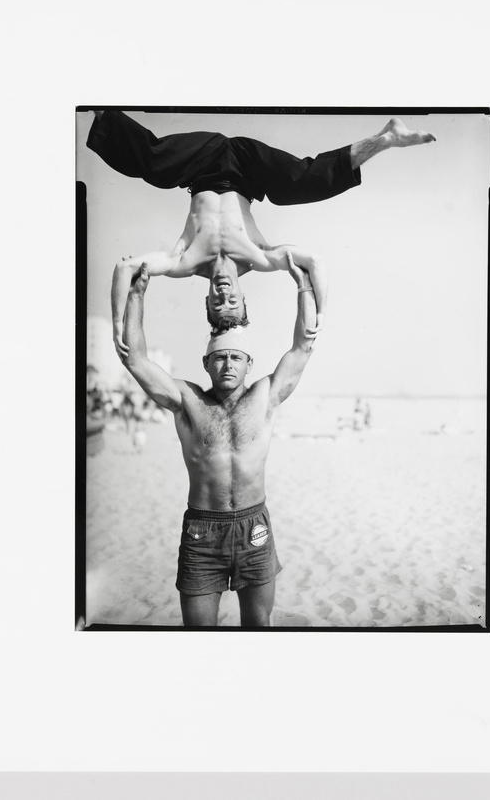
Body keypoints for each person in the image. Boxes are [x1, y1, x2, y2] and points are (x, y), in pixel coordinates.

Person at [86, 110, 436, 357]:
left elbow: (124, 269)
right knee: (300, 182)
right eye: (233, 302)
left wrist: (117, 325)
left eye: (217, 303)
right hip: (246, 169)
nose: (225, 297)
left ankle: (99, 107)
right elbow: (314, 261)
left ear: (207, 301)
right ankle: (387, 138)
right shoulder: (259, 257)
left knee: (153, 165)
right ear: (242, 296)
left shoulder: (185, 262)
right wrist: (322, 314)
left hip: (198, 164)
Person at [120, 253, 318, 627]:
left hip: (253, 526)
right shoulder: (187, 401)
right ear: (206, 363)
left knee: (258, 626)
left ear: (249, 364)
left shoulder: (265, 397)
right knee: (198, 633)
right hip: (202, 532)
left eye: (236, 358)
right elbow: (135, 359)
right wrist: (136, 296)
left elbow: (303, 346)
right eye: (220, 358)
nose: (228, 364)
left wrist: (303, 284)